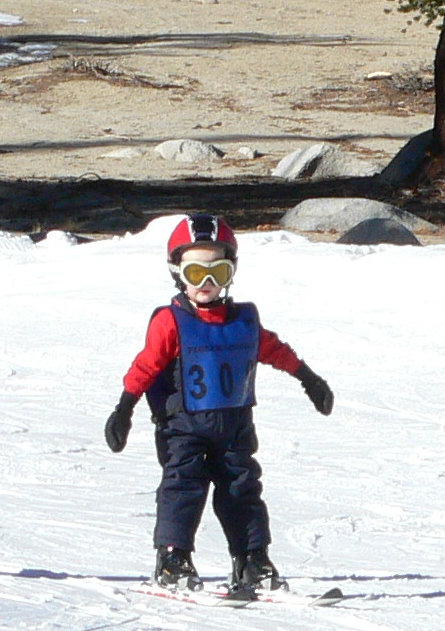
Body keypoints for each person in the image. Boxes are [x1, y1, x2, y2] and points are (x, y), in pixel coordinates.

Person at [102, 214, 333, 596]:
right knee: (183, 486)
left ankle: (252, 560)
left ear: (232, 272)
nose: (206, 282)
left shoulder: (243, 322)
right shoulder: (171, 322)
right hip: (183, 427)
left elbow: (273, 349)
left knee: (242, 489)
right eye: (196, 273)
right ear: (177, 273)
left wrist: (308, 378)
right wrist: (124, 407)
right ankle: (173, 559)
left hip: (235, 427)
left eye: (218, 271)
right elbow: (147, 365)